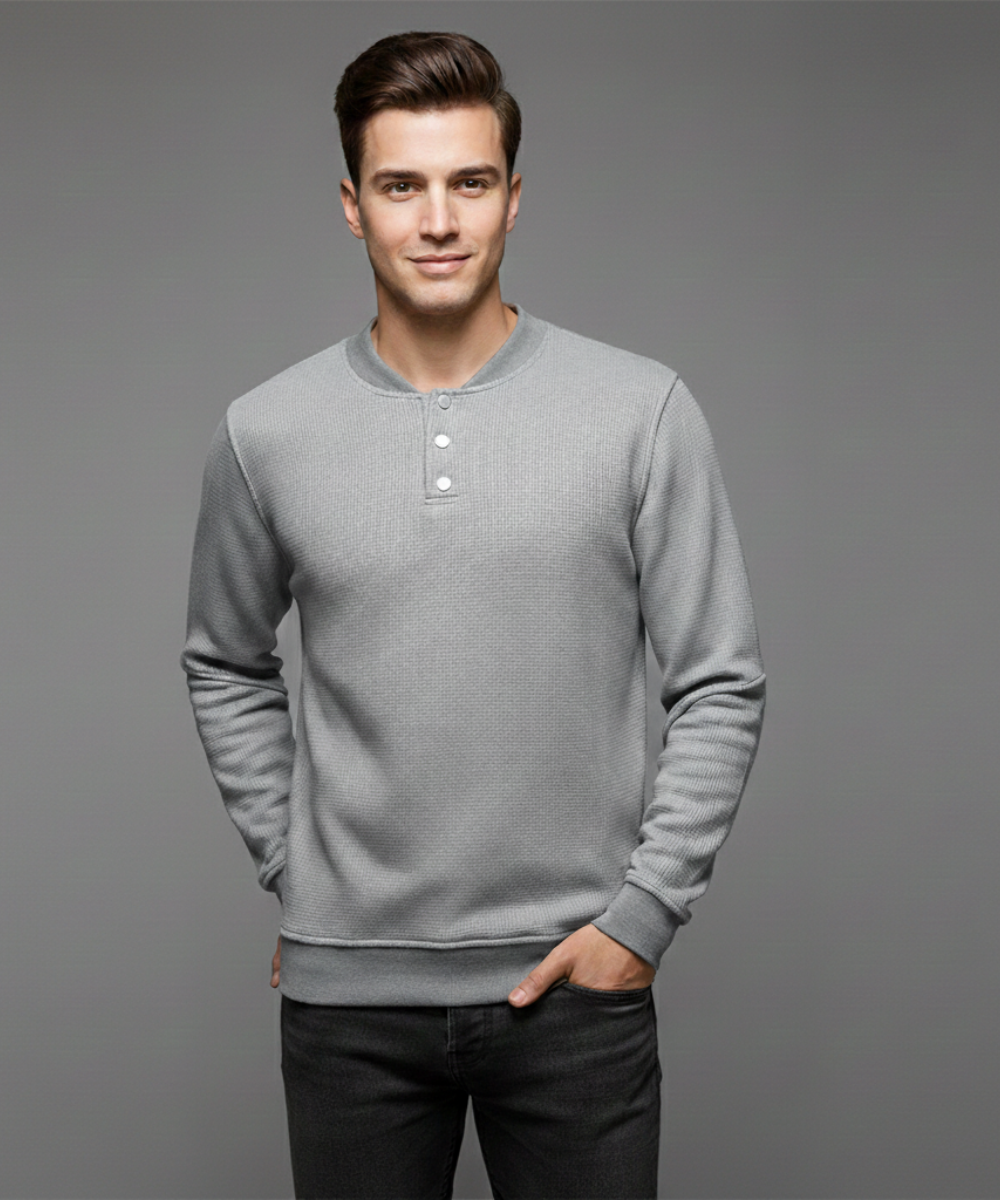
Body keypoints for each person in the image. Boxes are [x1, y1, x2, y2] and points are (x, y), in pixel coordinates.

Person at [180, 29, 765, 1200]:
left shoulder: (640, 410)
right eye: (402, 186)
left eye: (470, 182)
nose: (438, 220)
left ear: (513, 197)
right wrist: (295, 865)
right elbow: (223, 659)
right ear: (352, 206)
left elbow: (720, 679)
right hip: (349, 1005)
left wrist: (644, 915)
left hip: (577, 996)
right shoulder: (265, 432)